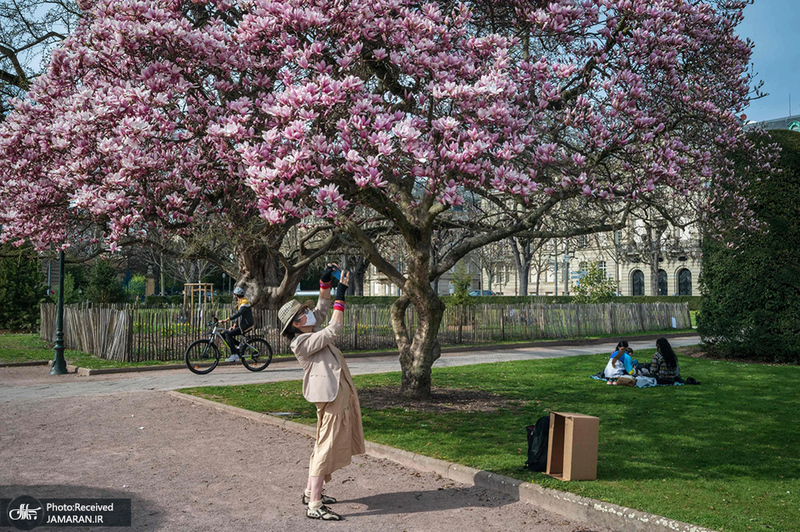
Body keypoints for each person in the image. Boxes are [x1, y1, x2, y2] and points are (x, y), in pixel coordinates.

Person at [278, 263, 365, 521]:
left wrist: (325, 282)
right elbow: (334, 328)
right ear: (295, 324)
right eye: (303, 313)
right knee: (325, 446)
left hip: (330, 393)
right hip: (329, 396)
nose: (309, 313)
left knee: (322, 443)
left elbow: (322, 308)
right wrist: (342, 292)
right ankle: (314, 505)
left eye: (305, 309)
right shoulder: (302, 342)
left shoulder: (309, 329)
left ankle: (310, 492)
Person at [218, 285, 254, 362]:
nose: (234, 296)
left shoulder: (245, 303)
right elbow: (239, 317)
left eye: (234, 295)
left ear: (236, 295)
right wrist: (234, 325)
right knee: (224, 334)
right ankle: (240, 347)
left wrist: (227, 319)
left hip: (246, 325)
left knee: (228, 334)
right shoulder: (240, 302)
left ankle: (235, 354)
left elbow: (239, 313)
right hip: (242, 325)